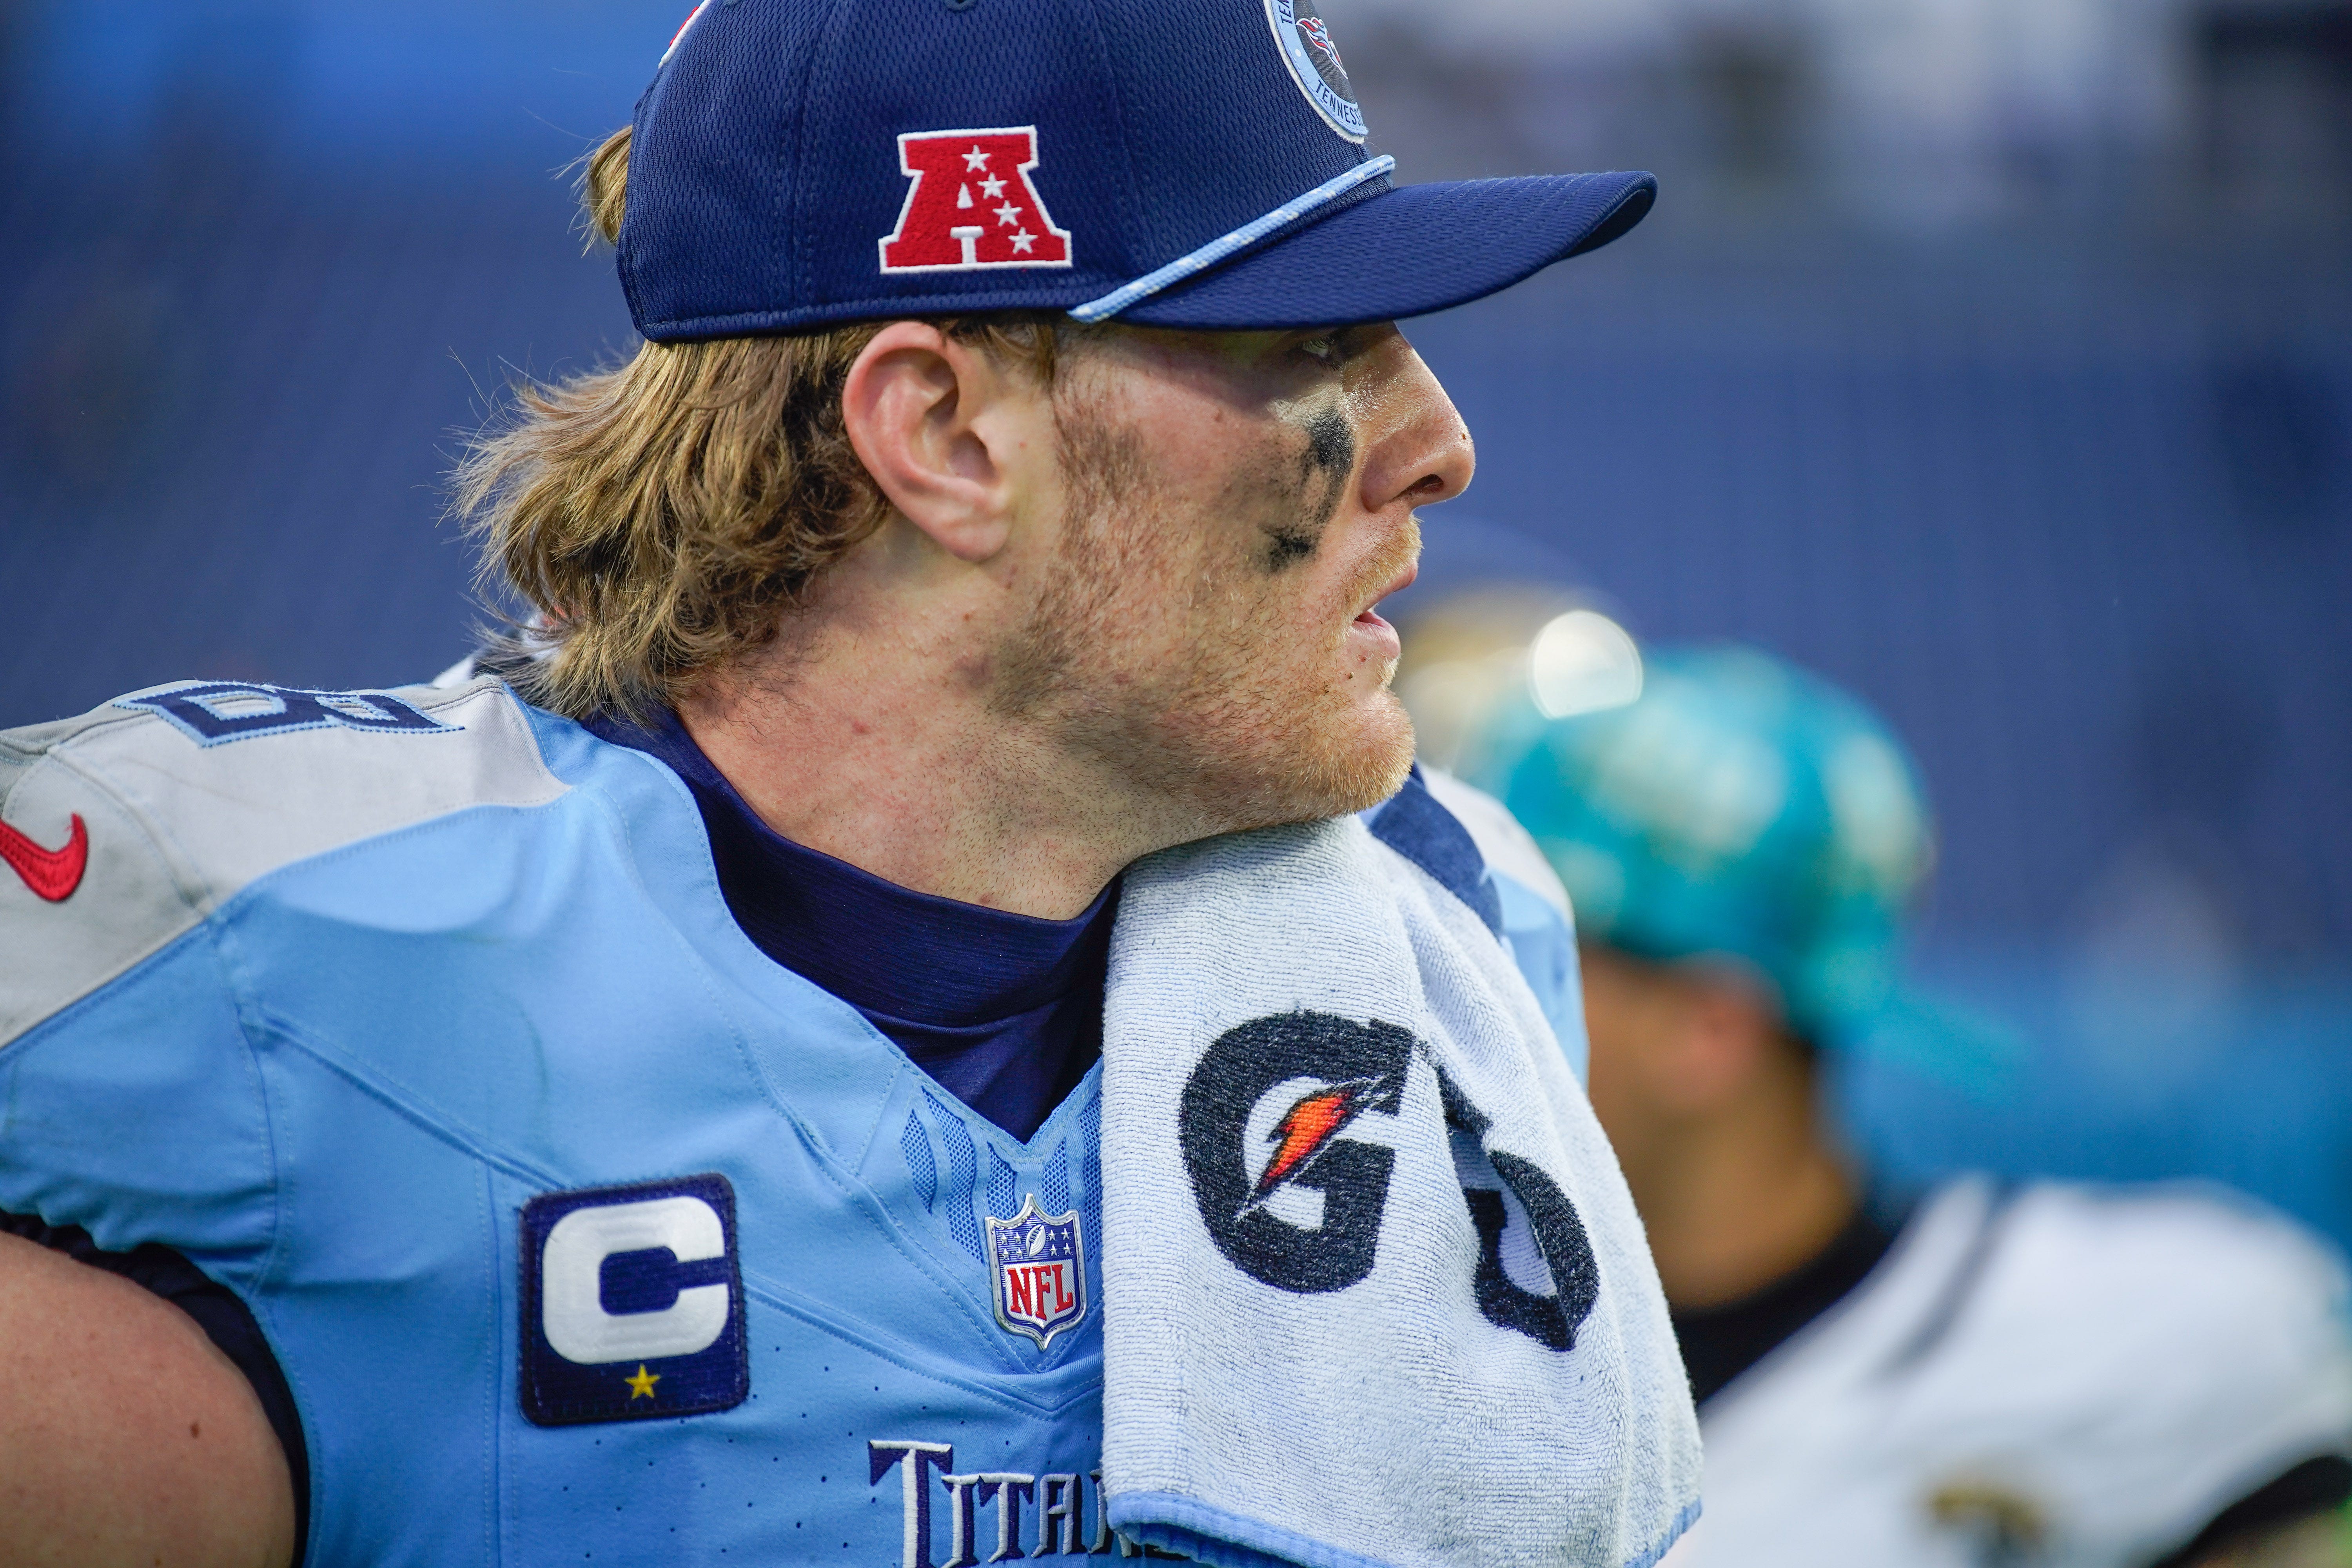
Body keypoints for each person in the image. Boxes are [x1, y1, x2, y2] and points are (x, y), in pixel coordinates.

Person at [0, 2, 1702, 1565]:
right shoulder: (271, 935)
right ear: (950, 437)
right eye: (1310, 337)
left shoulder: (1457, 931)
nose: (1439, 440)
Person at [1468, 641, 2352, 1567]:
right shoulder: (1398, 1321)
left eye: (1523, 948)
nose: (1453, 989)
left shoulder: (2166, 1334)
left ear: (1709, 1029)